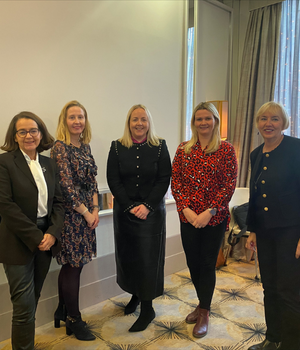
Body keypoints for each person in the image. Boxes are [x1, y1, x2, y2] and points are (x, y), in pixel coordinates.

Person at [171, 102, 237, 338]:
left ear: (215, 121)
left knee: (207, 264)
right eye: (199, 119)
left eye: (207, 118)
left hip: (214, 218)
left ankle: (205, 312)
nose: (203, 123)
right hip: (188, 217)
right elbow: (176, 182)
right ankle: (201, 303)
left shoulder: (226, 150)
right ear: (194, 123)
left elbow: (229, 184)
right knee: (193, 262)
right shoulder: (183, 149)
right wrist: (186, 210)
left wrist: (208, 212)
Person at [0, 112, 64, 350]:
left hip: (46, 239)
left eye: (33, 130)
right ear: (14, 136)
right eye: (22, 131)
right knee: (23, 306)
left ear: (41, 133)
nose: (29, 136)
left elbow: (58, 203)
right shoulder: (4, 163)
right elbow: (6, 206)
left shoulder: (49, 164)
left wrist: (52, 234)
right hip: (17, 240)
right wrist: (37, 237)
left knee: (33, 298)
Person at [107, 104, 171, 332]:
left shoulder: (160, 146)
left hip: (151, 214)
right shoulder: (116, 147)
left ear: (149, 122)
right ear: (129, 123)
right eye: (135, 119)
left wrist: (146, 206)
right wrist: (130, 206)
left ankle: (147, 308)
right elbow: (113, 180)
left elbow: (164, 179)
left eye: (143, 119)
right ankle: (135, 295)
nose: (139, 124)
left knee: (147, 260)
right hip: (124, 213)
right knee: (129, 258)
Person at [246, 102, 300, 350]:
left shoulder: (296, 149)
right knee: (269, 287)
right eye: (263, 119)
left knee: (289, 290)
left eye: (275, 119)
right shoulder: (256, 154)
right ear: (257, 123)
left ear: (284, 123)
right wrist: (253, 230)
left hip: (291, 231)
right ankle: (273, 338)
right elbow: (256, 197)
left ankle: (291, 344)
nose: (269, 123)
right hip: (265, 232)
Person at [50, 101, 99, 341]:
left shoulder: (85, 147)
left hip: (88, 215)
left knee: (74, 266)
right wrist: (87, 213)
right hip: (71, 217)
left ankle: (62, 310)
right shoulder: (60, 148)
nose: (77, 121)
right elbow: (67, 188)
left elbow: (92, 182)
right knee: (72, 266)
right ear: (64, 121)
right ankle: (74, 318)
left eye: (81, 116)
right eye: (72, 117)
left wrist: (96, 209)